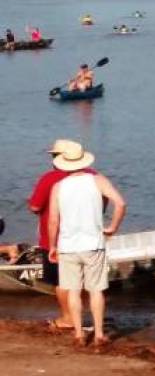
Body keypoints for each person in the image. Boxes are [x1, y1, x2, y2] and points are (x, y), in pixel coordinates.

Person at [48, 144, 126, 348]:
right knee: (96, 290)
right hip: (93, 244)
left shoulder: (58, 186)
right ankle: (99, 334)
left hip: (68, 245)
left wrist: (52, 246)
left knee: (73, 291)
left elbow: (53, 220)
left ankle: (78, 334)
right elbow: (120, 203)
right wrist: (112, 227)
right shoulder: (97, 180)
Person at [29, 139, 88, 330]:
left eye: (54, 155)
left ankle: (68, 318)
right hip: (85, 237)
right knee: (81, 280)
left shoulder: (49, 178)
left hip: (55, 239)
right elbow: (106, 201)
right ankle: (83, 318)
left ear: (59, 158)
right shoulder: (92, 176)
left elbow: (35, 206)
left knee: (61, 281)